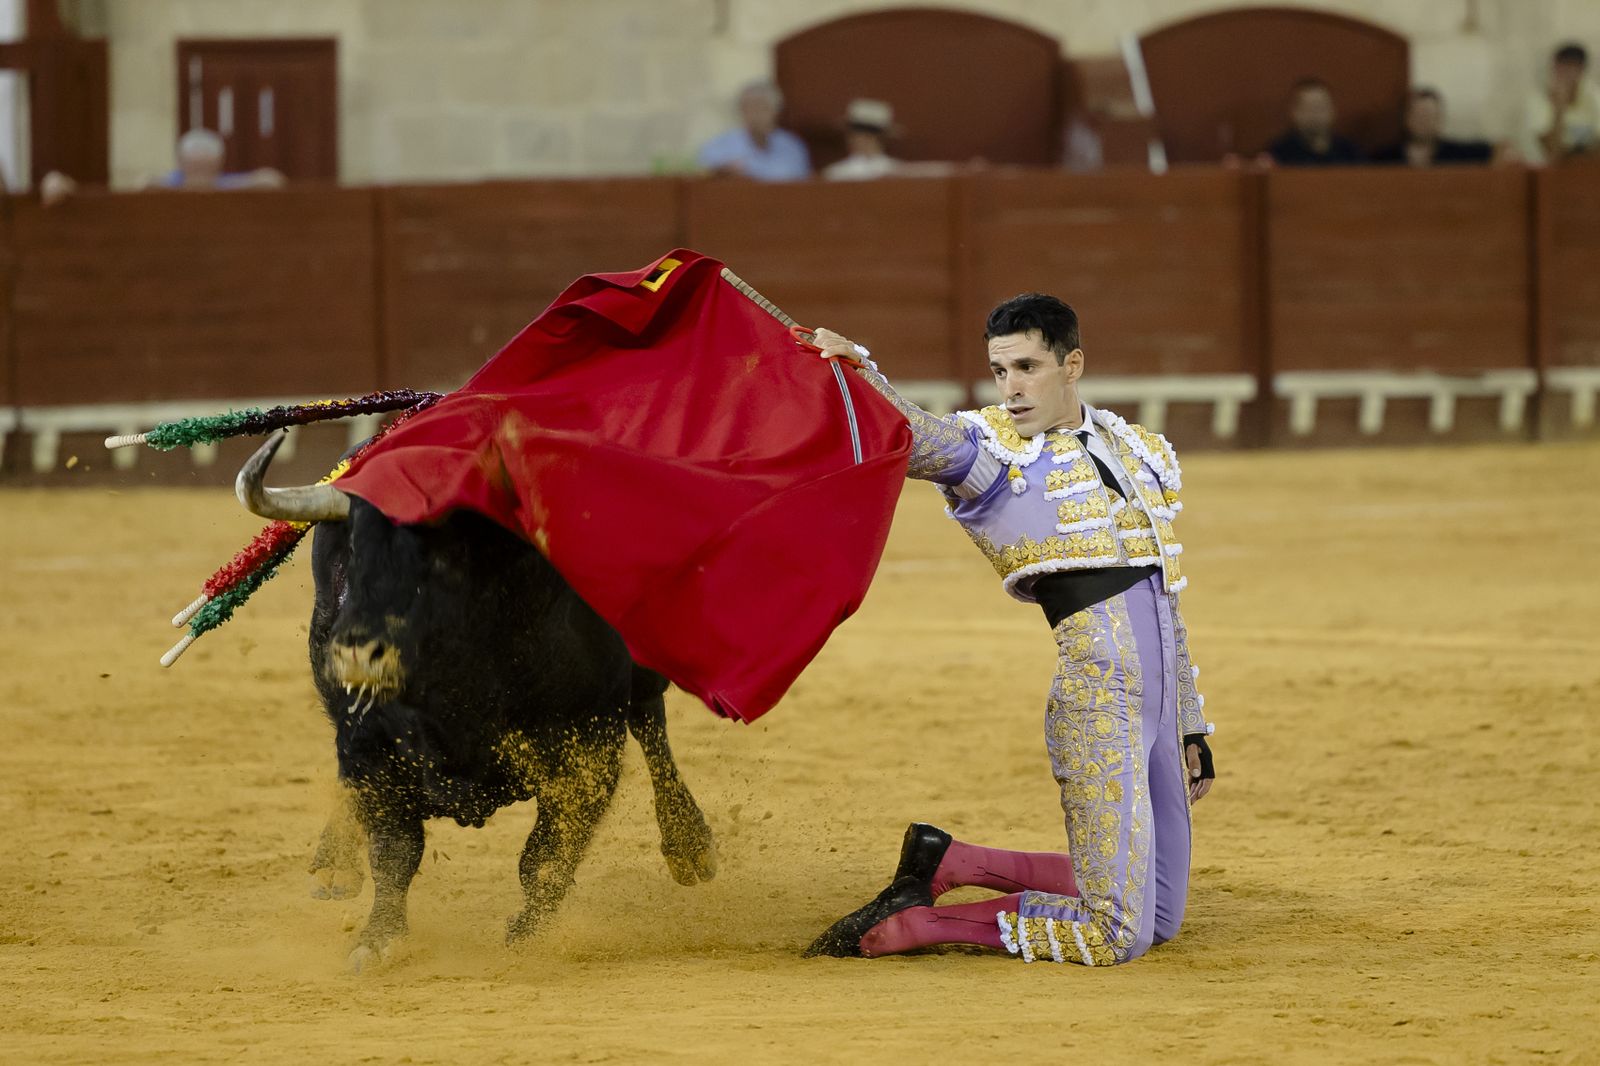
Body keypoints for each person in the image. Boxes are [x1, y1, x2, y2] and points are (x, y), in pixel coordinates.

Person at [802, 294, 1216, 967]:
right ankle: (914, 927)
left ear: (1071, 364)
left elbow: (1166, 594)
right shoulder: (994, 458)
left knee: (1162, 914)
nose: (1012, 387)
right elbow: (909, 432)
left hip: (1160, 707)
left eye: (1027, 366)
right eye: (1000, 371)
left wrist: (1189, 720)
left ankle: (954, 860)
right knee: (1117, 934)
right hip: (1100, 699)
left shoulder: (1137, 449)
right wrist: (856, 370)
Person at [39, 127, 283, 206]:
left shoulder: (227, 184)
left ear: (218, 166)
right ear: (180, 165)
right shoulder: (165, 185)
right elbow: (139, 188)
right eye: (193, 169)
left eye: (205, 170)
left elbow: (272, 180)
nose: (199, 178)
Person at [695, 81, 811, 182]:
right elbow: (704, 174)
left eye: (763, 107)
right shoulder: (719, 146)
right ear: (741, 111)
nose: (756, 114)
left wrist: (748, 170)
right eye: (750, 108)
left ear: (776, 111)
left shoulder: (792, 147)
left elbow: (796, 181)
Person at [1519, 42, 1600, 165]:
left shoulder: (1593, 97)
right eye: (1562, 67)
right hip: (1546, 175)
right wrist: (1559, 110)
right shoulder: (1538, 102)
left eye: (1573, 67)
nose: (1567, 74)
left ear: (1582, 70)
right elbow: (1553, 153)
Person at [1372, 88, 1493, 166]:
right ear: (1406, 118)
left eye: (1430, 116)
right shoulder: (1385, 159)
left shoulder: (1457, 154)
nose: (1424, 122)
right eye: (1418, 115)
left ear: (1440, 119)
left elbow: (1498, 152)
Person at [1267, 78, 1363, 165]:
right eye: (1307, 108)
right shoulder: (1278, 155)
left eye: (1320, 107)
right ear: (1293, 112)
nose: (1314, 115)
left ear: (1333, 110)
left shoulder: (1349, 152)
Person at [822, 98, 900, 181]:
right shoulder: (835, 173)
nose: (857, 139)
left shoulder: (897, 171)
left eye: (867, 136)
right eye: (855, 134)